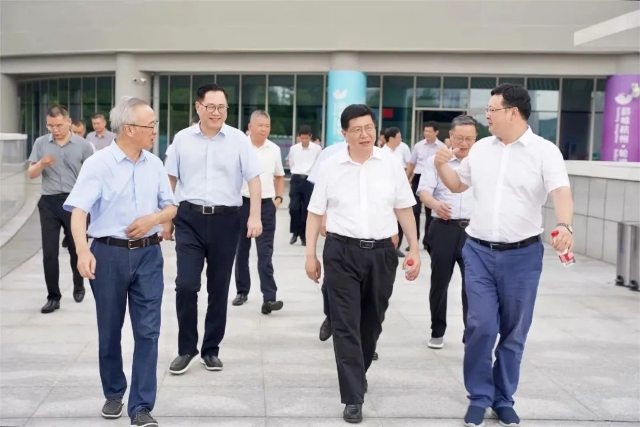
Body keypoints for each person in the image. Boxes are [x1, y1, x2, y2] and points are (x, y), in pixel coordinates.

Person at [434, 83, 573, 427]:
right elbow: (458, 185)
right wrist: (440, 166)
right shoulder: (482, 149)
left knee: (514, 332)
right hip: (479, 251)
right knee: (480, 326)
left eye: (491, 110)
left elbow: (560, 191)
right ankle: (479, 397)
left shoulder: (544, 152)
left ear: (512, 112)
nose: (486, 116)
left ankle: (503, 398)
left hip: (522, 256)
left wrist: (564, 225)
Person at [63, 96, 177, 427]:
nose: (155, 130)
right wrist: (83, 251)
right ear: (129, 129)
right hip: (108, 255)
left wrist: (153, 218)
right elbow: (79, 212)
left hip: (149, 255)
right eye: (150, 125)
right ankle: (114, 392)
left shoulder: (154, 164)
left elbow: (171, 207)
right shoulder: (97, 164)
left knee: (148, 331)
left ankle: (141, 407)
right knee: (110, 329)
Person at [305, 104, 421, 424]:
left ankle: (358, 373)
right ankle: (353, 397)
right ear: (344, 133)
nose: (364, 134)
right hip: (341, 252)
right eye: (356, 129)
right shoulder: (330, 166)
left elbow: (404, 208)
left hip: (382, 253)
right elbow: (315, 212)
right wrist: (310, 254)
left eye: (369, 128)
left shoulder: (390, 163)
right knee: (345, 325)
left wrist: (415, 247)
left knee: (372, 323)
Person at [165, 83, 263, 376]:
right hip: (189, 218)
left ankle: (210, 350)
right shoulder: (182, 139)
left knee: (218, 288)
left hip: (226, 220)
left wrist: (254, 217)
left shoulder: (238, 140)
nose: (216, 112)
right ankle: (186, 349)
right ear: (198, 107)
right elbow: (169, 180)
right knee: (186, 285)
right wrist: (165, 218)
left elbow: (254, 179)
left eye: (222, 107)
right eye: (211, 107)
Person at [416, 115, 477, 350]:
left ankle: (471, 334)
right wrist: (435, 204)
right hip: (443, 229)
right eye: (460, 138)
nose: (464, 143)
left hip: (473, 231)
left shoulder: (480, 162)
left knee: (473, 286)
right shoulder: (436, 160)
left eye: (470, 139)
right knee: (439, 283)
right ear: (450, 136)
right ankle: (437, 331)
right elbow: (424, 191)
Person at [27, 105, 94, 313]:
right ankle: (53, 297)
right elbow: (31, 174)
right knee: (49, 252)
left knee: (75, 248)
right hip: (49, 201)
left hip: (75, 203)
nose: (55, 130)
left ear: (69, 122)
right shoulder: (40, 143)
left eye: (58, 125)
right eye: (50, 126)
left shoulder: (83, 145)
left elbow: (93, 175)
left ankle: (78, 283)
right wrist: (41, 164)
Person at [232, 110, 285, 313]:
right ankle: (242, 291)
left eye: (267, 126)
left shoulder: (274, 149)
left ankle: (269, 298)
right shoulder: (239, 147)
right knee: (241, 251)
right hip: (242, 204)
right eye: (260, 125)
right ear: (250, 126)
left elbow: (279, 176)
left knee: (265, 253)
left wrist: (277, 199)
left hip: (266, 206)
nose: (264, 129)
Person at [405, 121, 444, 252]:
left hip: (433, 180)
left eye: (429, 131)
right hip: (418, 178)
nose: (426, 133)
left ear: (436, 132)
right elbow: (411, 163)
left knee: (429, 213)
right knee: (415, 211)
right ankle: (413, 241)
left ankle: (427, 241)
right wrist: (406, 179)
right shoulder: (418, 146)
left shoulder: (442, 147)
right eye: (425, 131)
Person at [287, 125, 322, 245]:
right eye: (302, 138)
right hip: (296, 178)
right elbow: (292, 163)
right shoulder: (294, 149)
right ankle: (295, 231)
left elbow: (318, 164)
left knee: (307, 209)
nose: (304, 140)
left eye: (306, 138)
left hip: (309, 179)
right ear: (299, 137)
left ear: (310, 136)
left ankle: (303, 235)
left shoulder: (317, 149)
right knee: (293, 208)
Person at [382, 127, 412, 258]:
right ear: (391, 138)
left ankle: (397, 246)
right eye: (398, 137)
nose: (400, 139)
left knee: (401, 217)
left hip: (400, 188)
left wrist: (408, 179)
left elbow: (409, 164)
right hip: (387, 189)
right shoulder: (382, 153)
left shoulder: (402, 149)